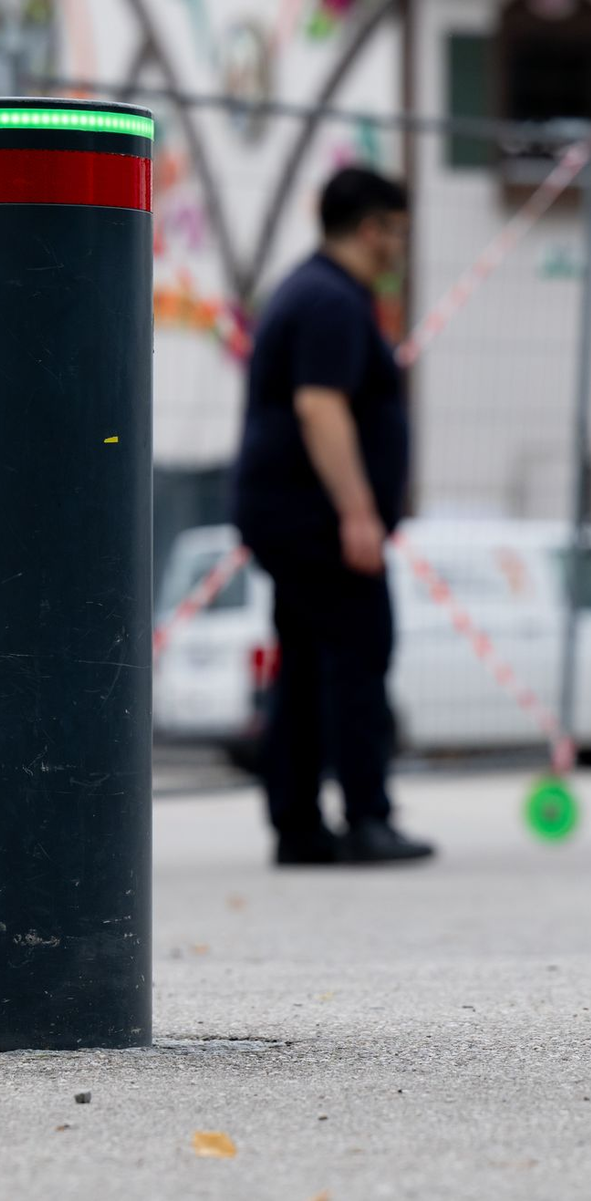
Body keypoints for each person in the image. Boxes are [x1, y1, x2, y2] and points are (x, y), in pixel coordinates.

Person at [232, 166, 435, 866]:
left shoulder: (309, 290)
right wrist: (358, 512)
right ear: (373, 228)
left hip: (289, 513)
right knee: (358, 651)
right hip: (316, 518)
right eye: (398, 233)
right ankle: (366, 816)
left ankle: (299, 824)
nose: (400, 249)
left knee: (308, 663)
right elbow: (321, 405)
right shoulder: (332, 301)